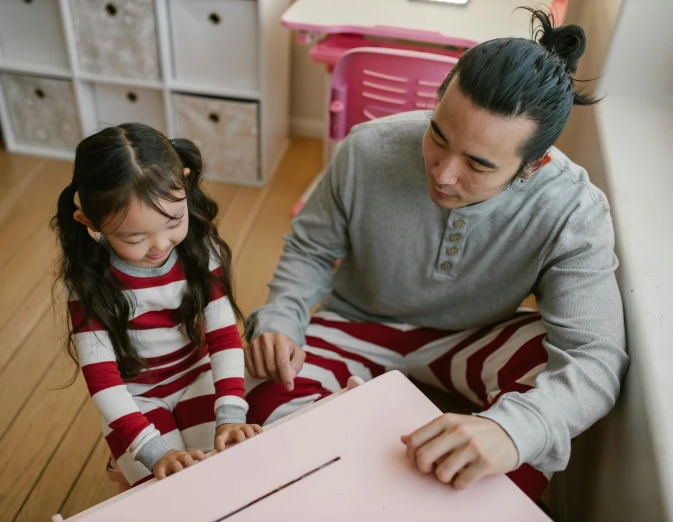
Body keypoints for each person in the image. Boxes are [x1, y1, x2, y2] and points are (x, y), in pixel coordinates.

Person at [243, 8, 627, 501]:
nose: (443, 174)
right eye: (438, 136)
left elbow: (594, 358)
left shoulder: (574, 208)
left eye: (478, 164)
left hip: (474, 335)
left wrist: (512, 431)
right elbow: (311, 249)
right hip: (358, 322)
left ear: (533, 166)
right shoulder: (366, 150)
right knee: (257, 371)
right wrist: (281, 315)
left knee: (535, 413)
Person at [52, 123, 261, 487]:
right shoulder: (90, 279)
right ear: (90, 222)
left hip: (197, 376)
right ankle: (126, 462)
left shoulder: (199, 248)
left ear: (184, 182)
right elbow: (102, 380)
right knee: (170, 487)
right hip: (136, 398)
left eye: (173, 221)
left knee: (224, 471)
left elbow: (225, 336)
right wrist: (152, 450)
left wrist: (230, 414)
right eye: (134, 237)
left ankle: (128, 462)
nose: (160, 245)